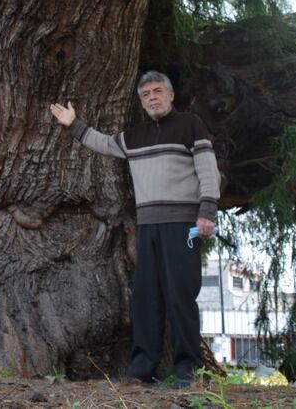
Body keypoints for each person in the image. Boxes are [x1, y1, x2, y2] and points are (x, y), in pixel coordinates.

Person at [50, 70, 220, 387]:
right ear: (141, 102)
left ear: (171, 95)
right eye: (146, 95)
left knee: (181, 297)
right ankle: (142, 369)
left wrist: (207, 211)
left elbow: (208, 170)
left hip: (182, 225)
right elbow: (104, 143)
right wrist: (74, 124)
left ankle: (188, 370)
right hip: (148, 226)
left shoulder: (190, 125)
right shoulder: (134, 136)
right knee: (146, 298)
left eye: (158, 91)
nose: (152, 98)